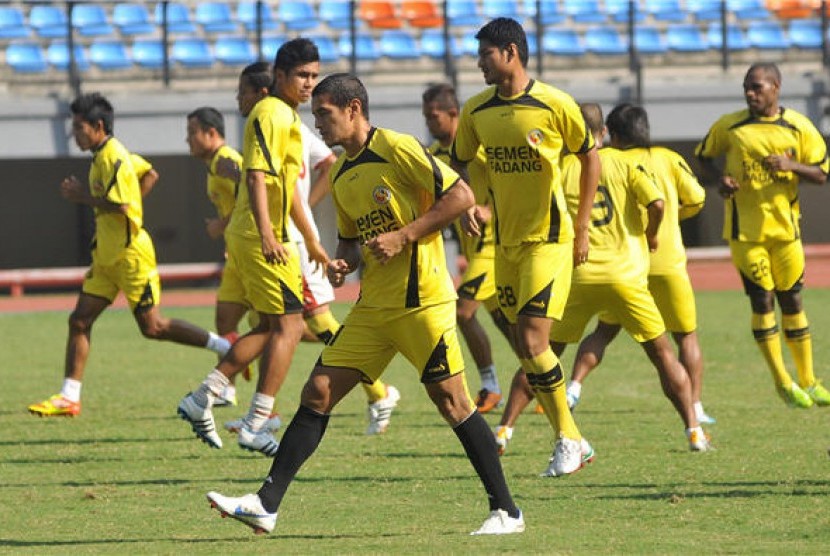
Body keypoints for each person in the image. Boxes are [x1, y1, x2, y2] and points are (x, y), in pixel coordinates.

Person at [204, 73, 525, 536]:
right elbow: (352, 242)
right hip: (374, 308)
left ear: (353, 109)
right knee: (317, 392)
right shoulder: (341, 171)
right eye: (314, 116)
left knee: (453, 401)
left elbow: (462, 196)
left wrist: (404, 235)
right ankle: (265, 504)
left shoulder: (397, 147)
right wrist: (343, 264)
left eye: (325, 114)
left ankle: (507, 511)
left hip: (422, 301)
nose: (318, 125)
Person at [494, 103, 710, 458]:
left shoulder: (560, 168)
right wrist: (652, 235)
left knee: (541, 354)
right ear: (604, 133)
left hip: (576, 277)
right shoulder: (625, 163)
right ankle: (693, 430)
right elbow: (656, 204)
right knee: (662, 354)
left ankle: (504, 430)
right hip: (624, 278)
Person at [217, 40, 400, 437]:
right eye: (306, 76)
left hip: (292, 239)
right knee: (272, 321)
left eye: (244, 91)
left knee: (306, 320)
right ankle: (267, 411)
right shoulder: (274, 121)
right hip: (283, 235)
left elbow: (327, 162)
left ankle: (379, 392)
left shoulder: (293, 124)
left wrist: (306, 210)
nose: (240, 98)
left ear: (263, 88)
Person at [451, 17, 600, 477]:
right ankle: (575, 438)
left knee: (535, 340)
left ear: (511, 51)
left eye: (486, 55)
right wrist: (469, 203)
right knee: (523, 344)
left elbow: (589, 155)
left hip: (549, 241)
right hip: (506, 245)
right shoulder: (476, 111)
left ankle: (568, 439)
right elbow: (458, 162)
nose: (479, 64)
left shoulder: (555, 104)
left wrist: (581, 227)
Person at [28, 93, 231, 417]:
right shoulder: (105, 155)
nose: (75, 133)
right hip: (106, 258)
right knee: (79, 320)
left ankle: (226, 348)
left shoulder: (114, 157)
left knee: (154, 328)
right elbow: (149, 173)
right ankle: (69, 396)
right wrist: (131, 200)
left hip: (130, 257)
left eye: (79, 127)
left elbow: (122, 206)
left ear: (97, 126)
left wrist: (84, 197)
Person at [177, 56, 315, 456]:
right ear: (279, 81)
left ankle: (208, 395)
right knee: (292, 326)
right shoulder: (270, 115)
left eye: (313, 76)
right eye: (303, 76)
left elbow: (277, 187)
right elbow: (256, 178)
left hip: (257, 237)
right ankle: (256, 420)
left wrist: (312, 239)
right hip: (262, 238)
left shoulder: (260, 127)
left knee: (277, 326)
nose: (309, 84)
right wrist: (269, 232)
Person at [563, 103, 716, 426]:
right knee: (684, 337)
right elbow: (697, 198)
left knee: (604, 330)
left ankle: (574, 386)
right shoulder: (668, 159)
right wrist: (674, 217)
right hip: (667, 261)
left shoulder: (603, 162)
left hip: (628, 264)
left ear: (613, 134)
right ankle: (696, 407)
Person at [696, 62, 830, 408]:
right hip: (747, 233)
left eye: (757, 87)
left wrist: (792, 166)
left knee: (793, 301)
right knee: (763, 300)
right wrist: (719, 181)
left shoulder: (798, 126)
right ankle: (782, 381)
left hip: (786, 232)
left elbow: (821, 173)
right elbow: (704, 158)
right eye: (746, 87)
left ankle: (809, 380)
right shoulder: (731, 126)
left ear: (776, 86)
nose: (750, 93)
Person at [422, 82, 511, 413]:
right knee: (508, 323)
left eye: (434, 116)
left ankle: (490, 385)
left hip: (494, 247)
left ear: (452, 114)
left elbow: (511, 182)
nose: (430, 123)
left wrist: (493, 209)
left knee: (463, 311)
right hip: (473, 250)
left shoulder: (479, 149)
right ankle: (536, 381)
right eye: (426, 117)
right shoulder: (434, 156)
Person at [185, 106, 251, 407]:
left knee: (290, 329)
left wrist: (219, 225)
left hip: (253, 254)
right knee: (225, 320)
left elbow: (253, 198)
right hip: (236, 255)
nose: (188, 140)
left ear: (211, 133)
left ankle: (377, 388)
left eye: (192, 133)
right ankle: (228, 388)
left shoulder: (228, 160)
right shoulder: (215, 164)